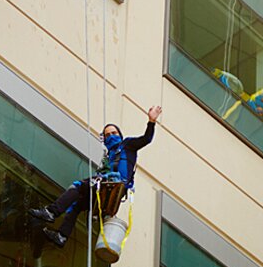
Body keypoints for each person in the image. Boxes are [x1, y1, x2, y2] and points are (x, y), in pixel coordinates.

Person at [28, 106, 162, 248]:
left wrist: (151, 121)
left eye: (114, 133)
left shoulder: (127, 145)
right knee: (77, 204)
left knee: (78, 186)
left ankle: (51, 212)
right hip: (106, 183)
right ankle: (62, 235)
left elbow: (146, 139)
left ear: (120, 135)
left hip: (115, 181)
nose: (111, 136)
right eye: (108, 134)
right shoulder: (109, 156)